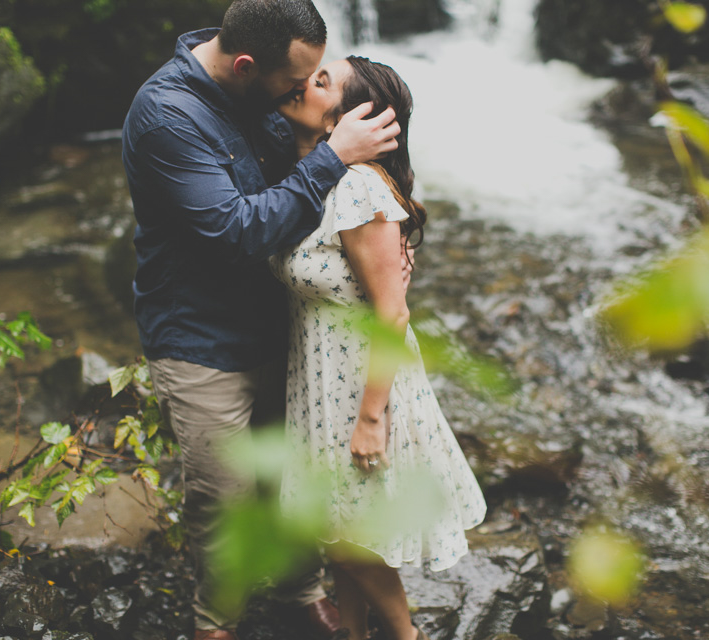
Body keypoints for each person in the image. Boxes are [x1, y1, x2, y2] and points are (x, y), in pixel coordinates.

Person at [120, 1, 403, 639]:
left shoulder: (268, 88)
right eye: (296, 82)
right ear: (246, 65)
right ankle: (215, 622)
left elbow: (321, 188)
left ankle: (300, 591)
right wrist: (334, 156)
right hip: (200, 338)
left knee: (292, 473)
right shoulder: (168, 114)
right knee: (223, 495)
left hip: (285, 326)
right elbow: (238, 231)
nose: (304, 91)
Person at [268, 56, 487, 640]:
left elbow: (392, 313)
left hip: (361, 386)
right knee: (344, 526)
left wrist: (371, 418)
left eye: (322, 82)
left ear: (346, 117)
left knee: (347, 538)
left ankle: (405, 635)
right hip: (322, 377)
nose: (304, 81)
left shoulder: (357, 187)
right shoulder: (310, 177)